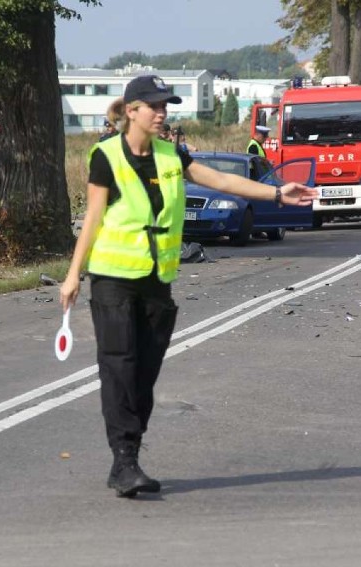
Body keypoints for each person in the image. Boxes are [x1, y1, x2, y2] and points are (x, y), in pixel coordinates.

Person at [59, 75, 316, 498]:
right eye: (155, 106)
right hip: (113, 280)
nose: (162, 114)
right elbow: (93, 218)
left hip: (157, 281)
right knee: (119, 366)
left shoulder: (171, 155)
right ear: (131, 111)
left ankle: (129, 453)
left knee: (145, 374)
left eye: (166, 107)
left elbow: (222, 181)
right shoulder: (106, 156)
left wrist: (276, 194)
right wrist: (73, 275)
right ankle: (125, 461)